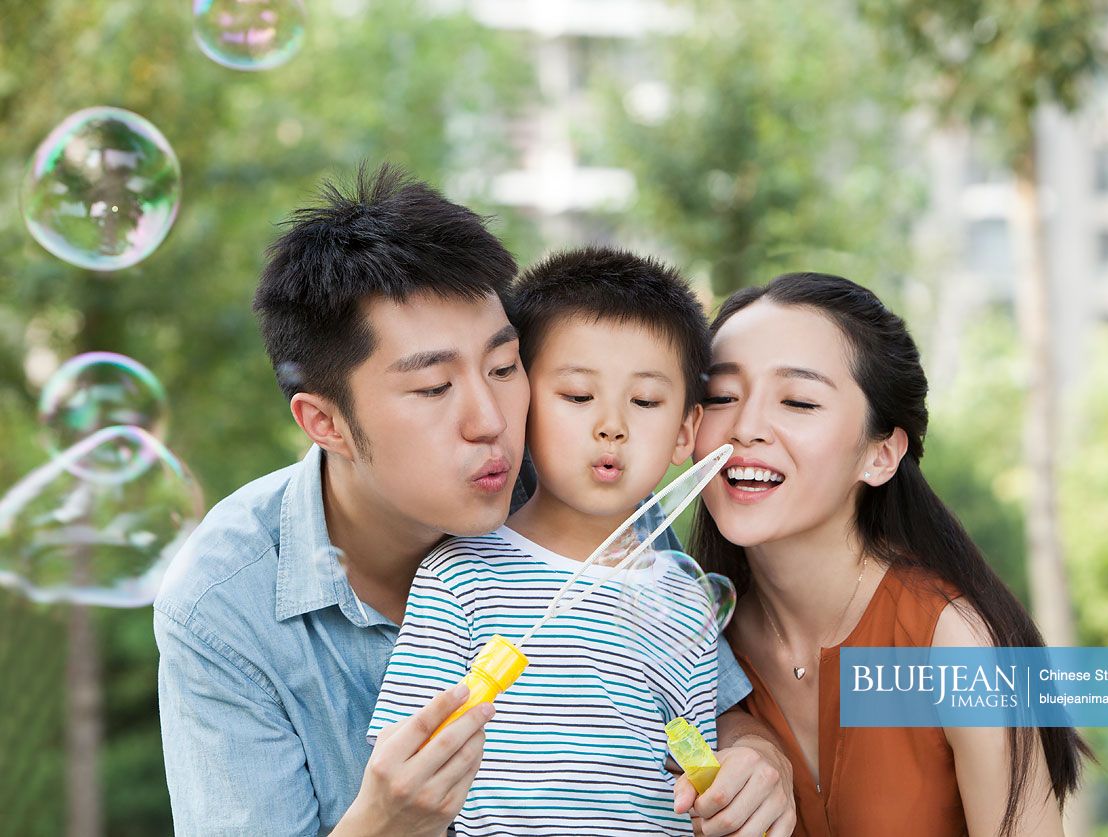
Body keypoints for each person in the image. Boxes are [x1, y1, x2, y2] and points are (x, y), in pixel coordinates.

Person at [154, 165, 793, 836]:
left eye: (502, 366)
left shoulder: (579, 478)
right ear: (325, 422)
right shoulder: (221, 608)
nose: (490, 418)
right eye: (433, 387)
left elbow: (690, 706)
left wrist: (756, 756)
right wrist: (384, 823)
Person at [368, 247, 792, 837]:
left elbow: (688, 750)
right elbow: (408, 761)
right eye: (576, 396)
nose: (611, 425)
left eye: (644, 402)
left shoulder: (683, 598)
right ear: (523, 405)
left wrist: (718, 790)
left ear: (685, 432)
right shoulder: (458, 577)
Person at [690, 272, 1092, 837]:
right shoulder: (686, 638)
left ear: (880, 455)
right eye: (720, 397)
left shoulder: (956, 644)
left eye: (799, 401)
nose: (746, 426)